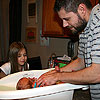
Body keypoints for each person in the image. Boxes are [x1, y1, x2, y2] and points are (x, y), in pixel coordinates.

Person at [36, 0, 100, 100]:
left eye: (67, 19)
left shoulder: (98, 21)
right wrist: (57, 72)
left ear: (81, 9)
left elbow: (97, 73)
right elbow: (81, 61)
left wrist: (58, 77)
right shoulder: (84, 27)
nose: (64, 24)